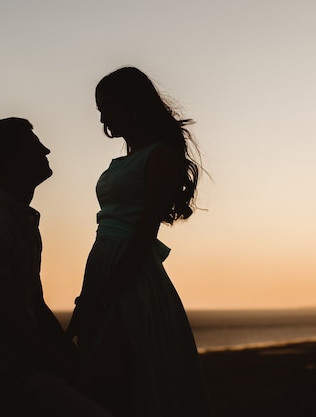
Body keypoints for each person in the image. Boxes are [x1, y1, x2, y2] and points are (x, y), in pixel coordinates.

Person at [67, 67, 215, 417]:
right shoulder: (130, 158)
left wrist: (106, 293)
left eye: (108, 107)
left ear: (132, 106)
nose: (102, 117)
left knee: (124, 371)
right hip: (105, 259)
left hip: (129, 268)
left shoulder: (160, 156)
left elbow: (145, 230)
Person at [0, 117, 112, 416]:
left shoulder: (20, 220)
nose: (46, 151)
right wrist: (68, 369)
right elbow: (6, 318)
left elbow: (32, 303)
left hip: (18, 360)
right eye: (35, 146)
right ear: (11, 159)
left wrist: (67, 354)